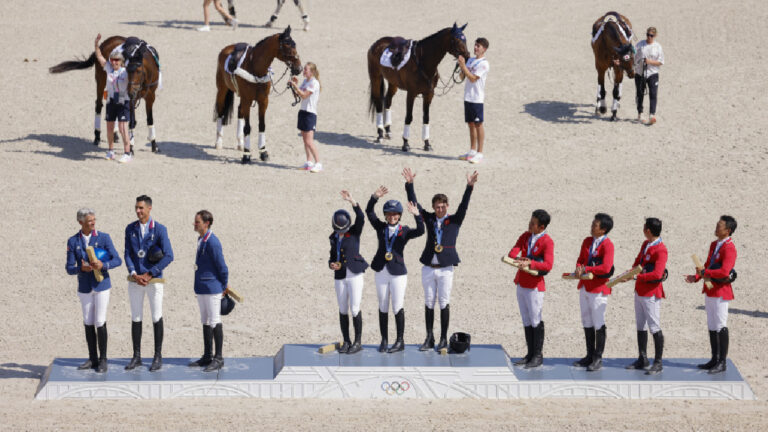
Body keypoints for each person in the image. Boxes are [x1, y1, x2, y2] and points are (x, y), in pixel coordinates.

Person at [404, 168, 479, 352]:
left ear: (447, 206)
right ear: (433, 207)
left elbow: (464, 205)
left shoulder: (454, 220)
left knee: (443, 301)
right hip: (429, 267)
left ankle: (444, 339)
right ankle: (429, 338)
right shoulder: (429, 219)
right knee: (429, 301)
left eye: (443, 206)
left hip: (446, 268)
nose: (440, 209)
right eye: (437, 206)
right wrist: (409, 185)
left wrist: (469, 187)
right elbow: (415, 204)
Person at [366, 185, 424, 353]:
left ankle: (400, 341)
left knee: (397, 306)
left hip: (398, 273)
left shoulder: (404, 231)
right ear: (385, 215)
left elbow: (421, 231)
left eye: (395, 214)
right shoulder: (380, 228)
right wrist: (374, 197)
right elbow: (369, 213)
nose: (392, 217)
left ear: (399, 215)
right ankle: (384, 340)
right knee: (383, 305)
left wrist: (417, 215)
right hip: (381, 271)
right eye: (389, 214)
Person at [65, 208, 122, 373]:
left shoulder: (104, 238)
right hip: (84, 287)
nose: (93, 223)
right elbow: (69, 268)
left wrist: (103, 265)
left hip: (101, 285)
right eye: (90, 220)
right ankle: (93, 358)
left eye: (94, 219)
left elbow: (117, 259)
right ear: (81, 222)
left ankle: (103, 359)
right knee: (88, 321)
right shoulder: (73, 241)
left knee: (100, 320)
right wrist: (80, 269)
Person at [123, 195, 174, 372]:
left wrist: (150, 273)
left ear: (149, 208)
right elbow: (127, 253)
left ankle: (157, 356)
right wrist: (134, 272)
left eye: (141, 208)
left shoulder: (159, 229)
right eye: (136, 207)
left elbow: (169, 255)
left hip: (154, 280)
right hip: (136, 279)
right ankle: (136, 356)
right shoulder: (130, 229)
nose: (138, 211)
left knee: (156, 316)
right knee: (136, 317)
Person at [685, 215, 738, 374]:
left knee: (721, 325)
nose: (716, 227)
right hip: (710, 289)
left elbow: (724, 271)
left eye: (719, 225)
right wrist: (696, 277)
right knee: (712, 325)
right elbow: (708, 266)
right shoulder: (714, 244)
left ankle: (722, 362)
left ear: (728, 230)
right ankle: (714, 358)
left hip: (721, 291)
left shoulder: (729, 247)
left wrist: (704, 272)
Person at [507, 210, 554, 369]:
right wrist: (517, 258)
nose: (529, 224)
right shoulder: (525, 236)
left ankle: (538, 355)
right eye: (530, 221)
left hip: (535, 286)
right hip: (521, 282)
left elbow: (548, 265)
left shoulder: (547, 242)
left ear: (541, 227)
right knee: (526, 320)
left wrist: (530, 263)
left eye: (533, 223)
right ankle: (530, 353)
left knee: (535, 320)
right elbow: (514, 250)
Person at [572, 213, 615, 371]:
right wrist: (578, 267)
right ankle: (589, 354)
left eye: (595, 225)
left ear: (603, 230)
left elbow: (606, 267)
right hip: (585, 285)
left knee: (598, 321)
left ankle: (598, 357)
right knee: (586, 320)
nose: (592, 226)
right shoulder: (587, 241)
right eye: (593, 223)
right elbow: (581, 259)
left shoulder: (607, 245)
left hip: (598, 288)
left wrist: (587, 268)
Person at [189, 210, 230, 372]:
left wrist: (223, 286)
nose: (194, 224)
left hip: (213, 288)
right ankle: (207, 355)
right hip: (202, 287)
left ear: (206, 223)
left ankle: (218, 357)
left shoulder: (212, 242)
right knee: (205, 320)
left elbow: (222, 267)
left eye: (197, 222)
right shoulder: (201, 239)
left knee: (214, 320)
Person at [329, 190, 369, 354]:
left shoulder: (354, 231)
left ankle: (358, 342)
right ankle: (346, 341)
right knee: (342, 309)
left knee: (354, 308)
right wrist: (331, 264)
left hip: (354, 274)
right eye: (338, 230)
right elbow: (332, 256)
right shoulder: (333, 237)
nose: (340, 233)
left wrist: (353, 202)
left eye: (342, 230)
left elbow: (361, 218)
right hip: (340, 276)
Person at [94, 34, 133, 163]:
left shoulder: (126, 72)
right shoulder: (108, 68)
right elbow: (99, 57)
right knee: (110, 128)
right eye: (113, 60)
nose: (114, 62)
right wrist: (96, 44)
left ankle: (127, 152)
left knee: (122, 128)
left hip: (123, 102)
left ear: (121, 61)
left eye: (117, 60)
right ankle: (111, 151)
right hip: (111, 102)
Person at [457, 37, 490, 164]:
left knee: (478, 124)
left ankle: (480, 153)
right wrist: (461, 67)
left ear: (484, 49)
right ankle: (472, 151)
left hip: (477, 98)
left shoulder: (484, 64)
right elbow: (462, 76)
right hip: (468, 97)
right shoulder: (470, 60)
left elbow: (472, 78)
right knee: (470, 124)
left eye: (479, 46)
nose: (475, 48)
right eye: (475, 45)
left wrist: (463, 66)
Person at [289, 63, 322, 172]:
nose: (303, 71)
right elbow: (298, 96)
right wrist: (295, 85)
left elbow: (304, 95)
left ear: (312, 72)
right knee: (305, 140)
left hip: (310, 114)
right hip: (303, 112)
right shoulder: (305, 82)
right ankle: (309, 162)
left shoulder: (314, 83)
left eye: (306, 70)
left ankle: (318, 163)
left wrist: (295, 86)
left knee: (309, 141)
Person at [634, 27, 664, 125]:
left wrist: (649, 62)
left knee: (653, 94)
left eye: (651, 35)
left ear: (655, 36)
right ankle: (640, 113)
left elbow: (661, 62)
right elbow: (632, 56)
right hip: (640, 73)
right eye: (647, 35)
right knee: (640, 94)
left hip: (653, 73)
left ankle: (652, 114)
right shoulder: (640, 45)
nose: (649, 37)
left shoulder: (658, 47)